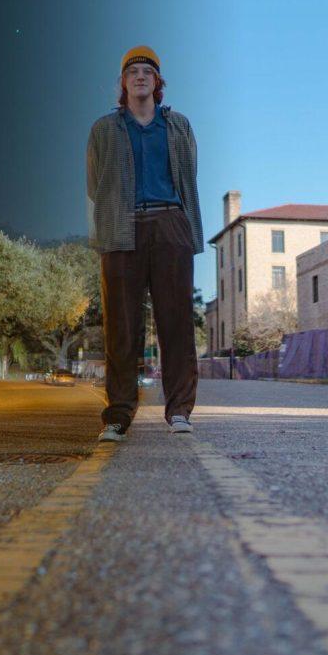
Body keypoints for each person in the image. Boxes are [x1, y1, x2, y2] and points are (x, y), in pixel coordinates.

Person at [86, 45, 204, 442]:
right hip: (122, 228)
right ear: (123, 82)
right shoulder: (104, 129)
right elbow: (94, 184)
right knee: (122, 327)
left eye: (147, 72)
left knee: (176, 324)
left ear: (157, 83)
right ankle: (118, 415)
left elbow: (190, 175)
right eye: (133, 71)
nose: (140, 76)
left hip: (170, 223)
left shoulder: (179, 126)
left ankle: (180, 411)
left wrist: (182, 225)